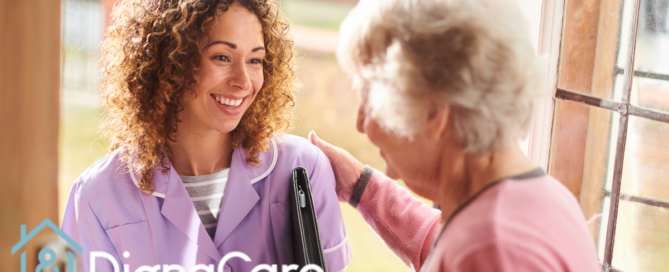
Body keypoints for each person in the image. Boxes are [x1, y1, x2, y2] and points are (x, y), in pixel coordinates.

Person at [308, 0, 601, 271]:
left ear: (434, 113)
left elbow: (472, 252)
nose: (361, 124)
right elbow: (446, 245)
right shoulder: (536, 202)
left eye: (369, 95)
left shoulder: (493, 250)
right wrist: (361, 186)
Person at [60, 0, 351, 271]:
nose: (243, 81)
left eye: (255, 60)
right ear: (171, 62)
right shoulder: (97, 196)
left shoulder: (303, 169)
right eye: (222, 57)